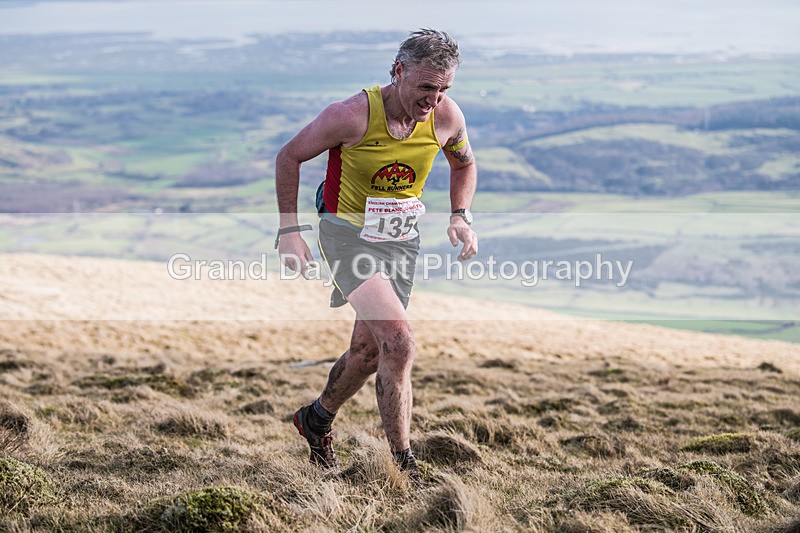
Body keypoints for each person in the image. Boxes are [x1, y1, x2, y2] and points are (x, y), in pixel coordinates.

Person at [275, 29, 478, 483]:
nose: (434, 98)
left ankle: (316, 418)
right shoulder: (349, 115)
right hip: (346, 235)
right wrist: (290, 230)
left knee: (367, 353)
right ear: (398, 71)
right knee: (399, 342)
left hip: (400, 241)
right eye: (426, 86)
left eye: (444, 88)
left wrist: (460, 214)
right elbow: (289, 157)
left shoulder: (446, 117)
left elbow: (464, 163)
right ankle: (403, 466)